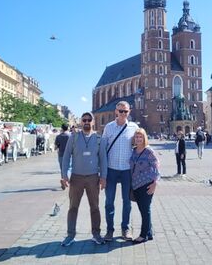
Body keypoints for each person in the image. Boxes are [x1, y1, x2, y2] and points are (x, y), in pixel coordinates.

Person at [61, 112, 107, 246]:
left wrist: (103, 177)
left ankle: (96, 234)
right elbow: (66, 157)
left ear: (93, 122)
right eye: (84, 120)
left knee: (95, 207)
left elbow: (103, 159)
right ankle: (70, 235)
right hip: (76, 178)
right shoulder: (74, 137)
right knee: (73, 207)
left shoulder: (99, 138)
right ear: (81, 122)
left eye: (89, 120)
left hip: (93, 178)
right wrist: (64, 175)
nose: (86, 122)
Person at [102, 101, 139, 242]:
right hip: (111, 170)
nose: (123, 114)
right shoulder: (109, 127)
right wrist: (102, 172)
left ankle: (125, 228)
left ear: (129, 112)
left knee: (127, 202)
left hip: (126, 170)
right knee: (109, 201)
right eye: (120, 111)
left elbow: (141, 145)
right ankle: (109, 230)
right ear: (116, 111)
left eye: (126, 111)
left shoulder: (133, 127)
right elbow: (102, 150)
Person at [130, 128, 160, 244]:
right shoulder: (133, 151)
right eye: (136, 137)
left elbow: (156, 166)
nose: (138, 139)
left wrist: (155, 183)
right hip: (136, 185)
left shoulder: (149, 151)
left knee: (145, 210)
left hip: (146, 185)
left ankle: (143, 235)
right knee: (144, 210)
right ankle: (149, 233)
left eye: (140, 137)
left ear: (144, 138)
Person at [54, 123, 70, 190]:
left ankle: (63, 180)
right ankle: (66, 181)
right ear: (67, 128)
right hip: (69, 155)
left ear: (62, 128)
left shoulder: (58, 136)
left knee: (62, 169)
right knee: (68, 168)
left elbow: (56, 147)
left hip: (61, 154)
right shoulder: (70, 136)